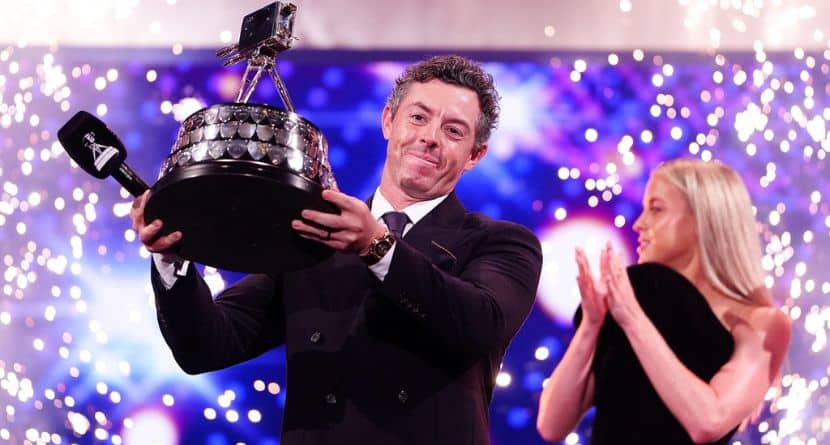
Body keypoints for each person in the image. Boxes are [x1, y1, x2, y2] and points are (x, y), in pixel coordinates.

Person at [131, 55, 542, 445]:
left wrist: (377, 246)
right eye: (418, 117)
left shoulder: (502, 243)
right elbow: (207, 345)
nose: (429, 138)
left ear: (475, 155)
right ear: (388, 121)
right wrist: (172, 259)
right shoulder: (315, 235)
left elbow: (479, 323)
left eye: (454, 130)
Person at [536, 159, 791, 444]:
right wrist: (592, 326)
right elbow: (551, 424)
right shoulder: (635, 300)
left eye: (656, 209)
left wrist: (633, 319)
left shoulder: (762, 323)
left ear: (703, 219)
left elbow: (708, 421)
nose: (639, 223)